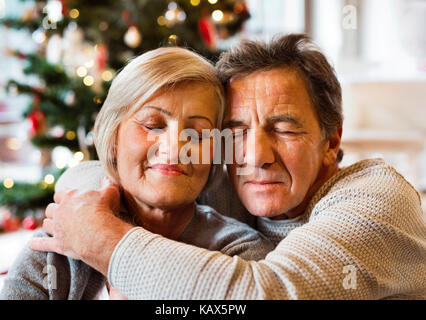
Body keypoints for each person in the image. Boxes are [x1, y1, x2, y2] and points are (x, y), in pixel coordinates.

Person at [29, 34, 426, 299]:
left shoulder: (376, 203)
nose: (256, 156)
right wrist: (86, 197)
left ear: (331, 140)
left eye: (284, 128)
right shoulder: (230, 178)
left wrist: (102, 239)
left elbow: (259, 294)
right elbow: (126, 169)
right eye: (235, 131)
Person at [0, 47, 275, 300]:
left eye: (199, 134)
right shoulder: (61, 237)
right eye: (153, 125)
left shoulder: (245, 255)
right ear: (114, 138)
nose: (175, 147)